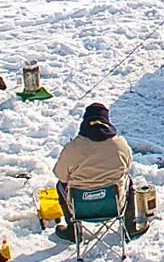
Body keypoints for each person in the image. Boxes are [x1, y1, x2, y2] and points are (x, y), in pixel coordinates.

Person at [52, 102, 136, 240]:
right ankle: (130, 227)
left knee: (59, 185)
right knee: (129, 182)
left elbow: (61, 176)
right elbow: (127, 168)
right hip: (114, 205)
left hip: (80, 207)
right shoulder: (120, 145)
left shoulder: (73, 147)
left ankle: (73, 231)